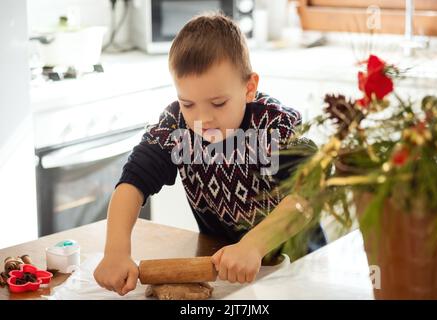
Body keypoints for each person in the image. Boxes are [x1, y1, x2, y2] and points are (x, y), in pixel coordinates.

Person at [94, 12, 326, 296]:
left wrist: (253, 245)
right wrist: (116, 251)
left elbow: (311, 192)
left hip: (299, 271)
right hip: (228, 273)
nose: (203, 119)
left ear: (249, 87)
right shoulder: (175, 126)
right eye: (188, 104)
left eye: (218, 103)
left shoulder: (270, 125)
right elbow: (132, 182)